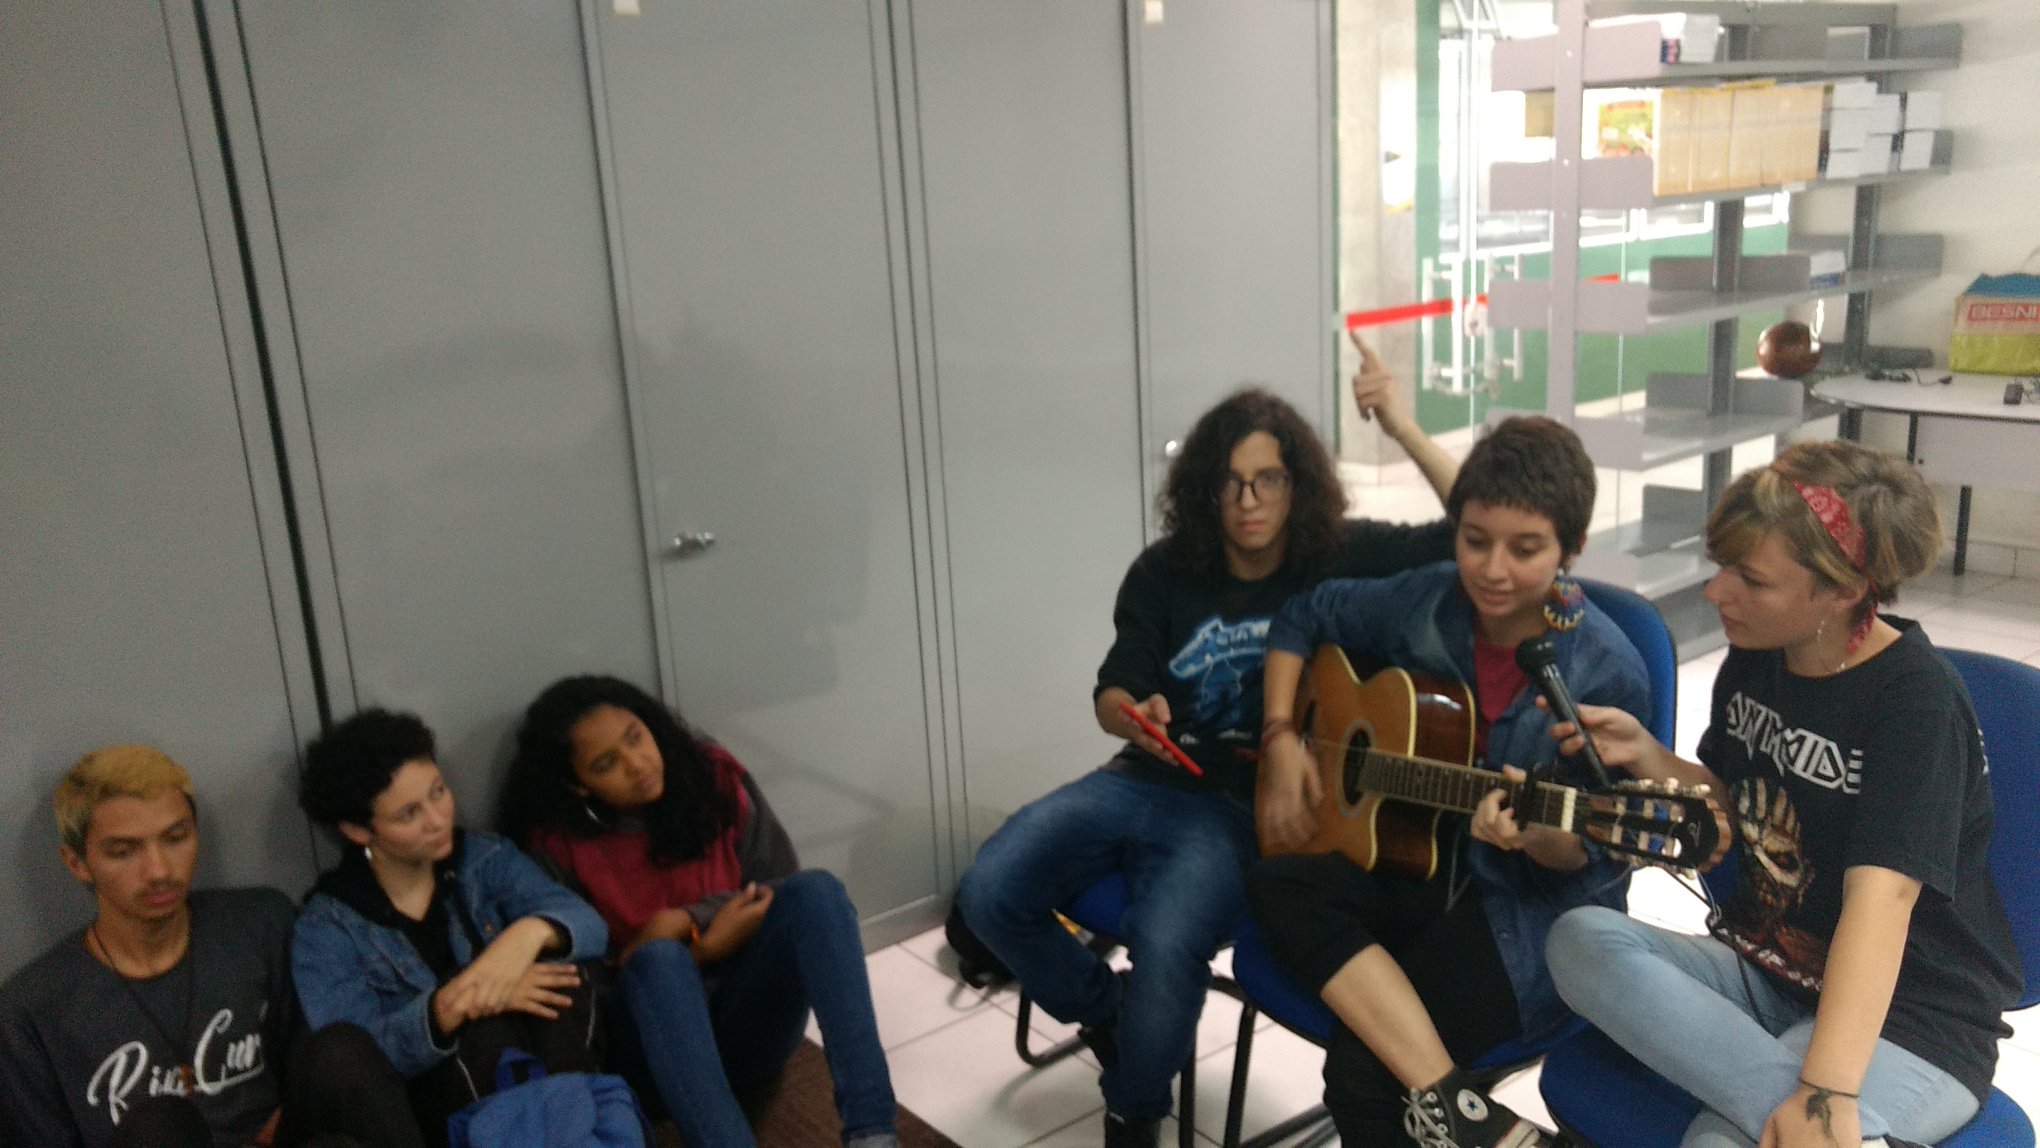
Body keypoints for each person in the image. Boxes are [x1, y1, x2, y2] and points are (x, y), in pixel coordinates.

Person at [956, 344, 1463, 1148]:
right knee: (987, 891)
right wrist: (1131, 712)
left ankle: (1134, 1111)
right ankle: (1108, 1013)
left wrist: (1400, 423)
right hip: (1140, 775)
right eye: (1230, 483)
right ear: (1204, 491)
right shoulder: (1165, 571)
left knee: (1167, 942)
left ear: (1297, 485)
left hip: (1238, 809)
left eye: (1268, 480)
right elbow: (1114, 687)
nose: (1249, 501)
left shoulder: (1334, 555)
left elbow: (1468, 529)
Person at [1544, 440, 2023, 1148]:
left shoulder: (1916, 702)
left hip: (1911, 1019)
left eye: (1751, 579)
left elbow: (1883, 904)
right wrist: (1652, 757)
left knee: (1719, 1140)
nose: (1717, 593)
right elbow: (1747, 807)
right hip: (1773, 976)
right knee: (1581, 938)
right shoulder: (1757, 658)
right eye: (1723, 567)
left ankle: (1824, 1127)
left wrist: (1824, 1093)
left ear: (1843, 590)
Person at [1248, 415, 1651, 1148]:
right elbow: (1302, 616)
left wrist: (1534, 835)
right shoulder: (1427, 600)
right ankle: (1465, 1112)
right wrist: (1281, 738)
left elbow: (1593, 854)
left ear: (1572, 548)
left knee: (1364, 1073)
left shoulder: (1604, 670)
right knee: (1275, 880)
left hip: (1523, 917)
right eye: (1474, 540)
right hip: (1419, 861)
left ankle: (1445, 1103)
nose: (1492, 570)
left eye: (1525, 549)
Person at [498, 674, 899, 1148]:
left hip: (747, 1015)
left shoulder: (712, 777)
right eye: (606, 764)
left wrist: (688, 920)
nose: (637, 764)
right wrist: (698, 952)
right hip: (650, 1047)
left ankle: (873, 1133)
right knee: (659, 961)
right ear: (578, 785)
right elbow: (579, 989)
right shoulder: (555, 846)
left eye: (636, 737)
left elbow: (778, 887)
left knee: (817, 891)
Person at [0, 745, 424, 1148]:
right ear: (77, 863)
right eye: (124, 851)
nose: (158, 871)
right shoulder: (33, 1007)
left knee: (343, 1050)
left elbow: (316, 1068)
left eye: (175, 838)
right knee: (156, 1126)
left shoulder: (259, 923)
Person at [290, 709, 610, 1148]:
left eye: (438, 791)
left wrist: (524, 938)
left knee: (564, 977)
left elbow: (589, 926)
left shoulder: (482, 857)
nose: (438, 819)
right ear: (358, 830)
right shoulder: (327, 927)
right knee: (483, 1028)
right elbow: (357, 1061)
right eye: (409, 814)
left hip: (528, 1066)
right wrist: (456, 1004)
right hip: (430, 1108)